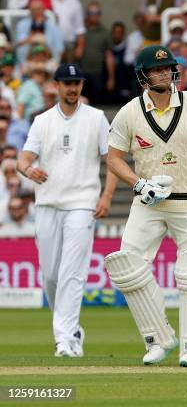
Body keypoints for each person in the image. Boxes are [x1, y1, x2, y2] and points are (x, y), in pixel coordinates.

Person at [104, 45, 187, 368]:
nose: (164, 73)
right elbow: (113, 159)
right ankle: (158, 337)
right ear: (143, 76)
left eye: (168, 68)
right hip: (149, 202)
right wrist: (139, 184)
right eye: (156, 69)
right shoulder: (129, 112)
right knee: (125, 265)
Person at [16, 63, 117, 357]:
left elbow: (111, 160)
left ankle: (65, 338)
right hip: (47, 202)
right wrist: (27, 170)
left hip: (82, 203)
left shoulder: (97, 118)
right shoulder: (42, 120)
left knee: (73, 271)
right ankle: (70, 328)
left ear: (82, 85)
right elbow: (24, 158)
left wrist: (107, 196)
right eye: (67, 83)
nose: (72, 88)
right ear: (56, 86)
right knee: (51, 275)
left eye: (77, 83)